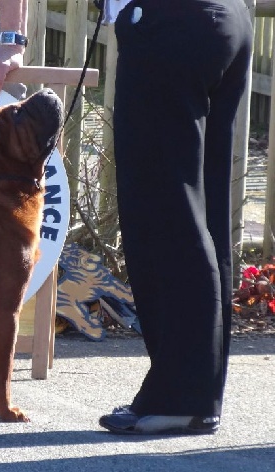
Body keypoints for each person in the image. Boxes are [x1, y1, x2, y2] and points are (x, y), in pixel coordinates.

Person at [98, 0, 253, 435]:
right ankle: (197, 395)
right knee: (201, 210)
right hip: (226, 18)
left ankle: (180, 397)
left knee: (165, 213)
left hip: (169, 24)